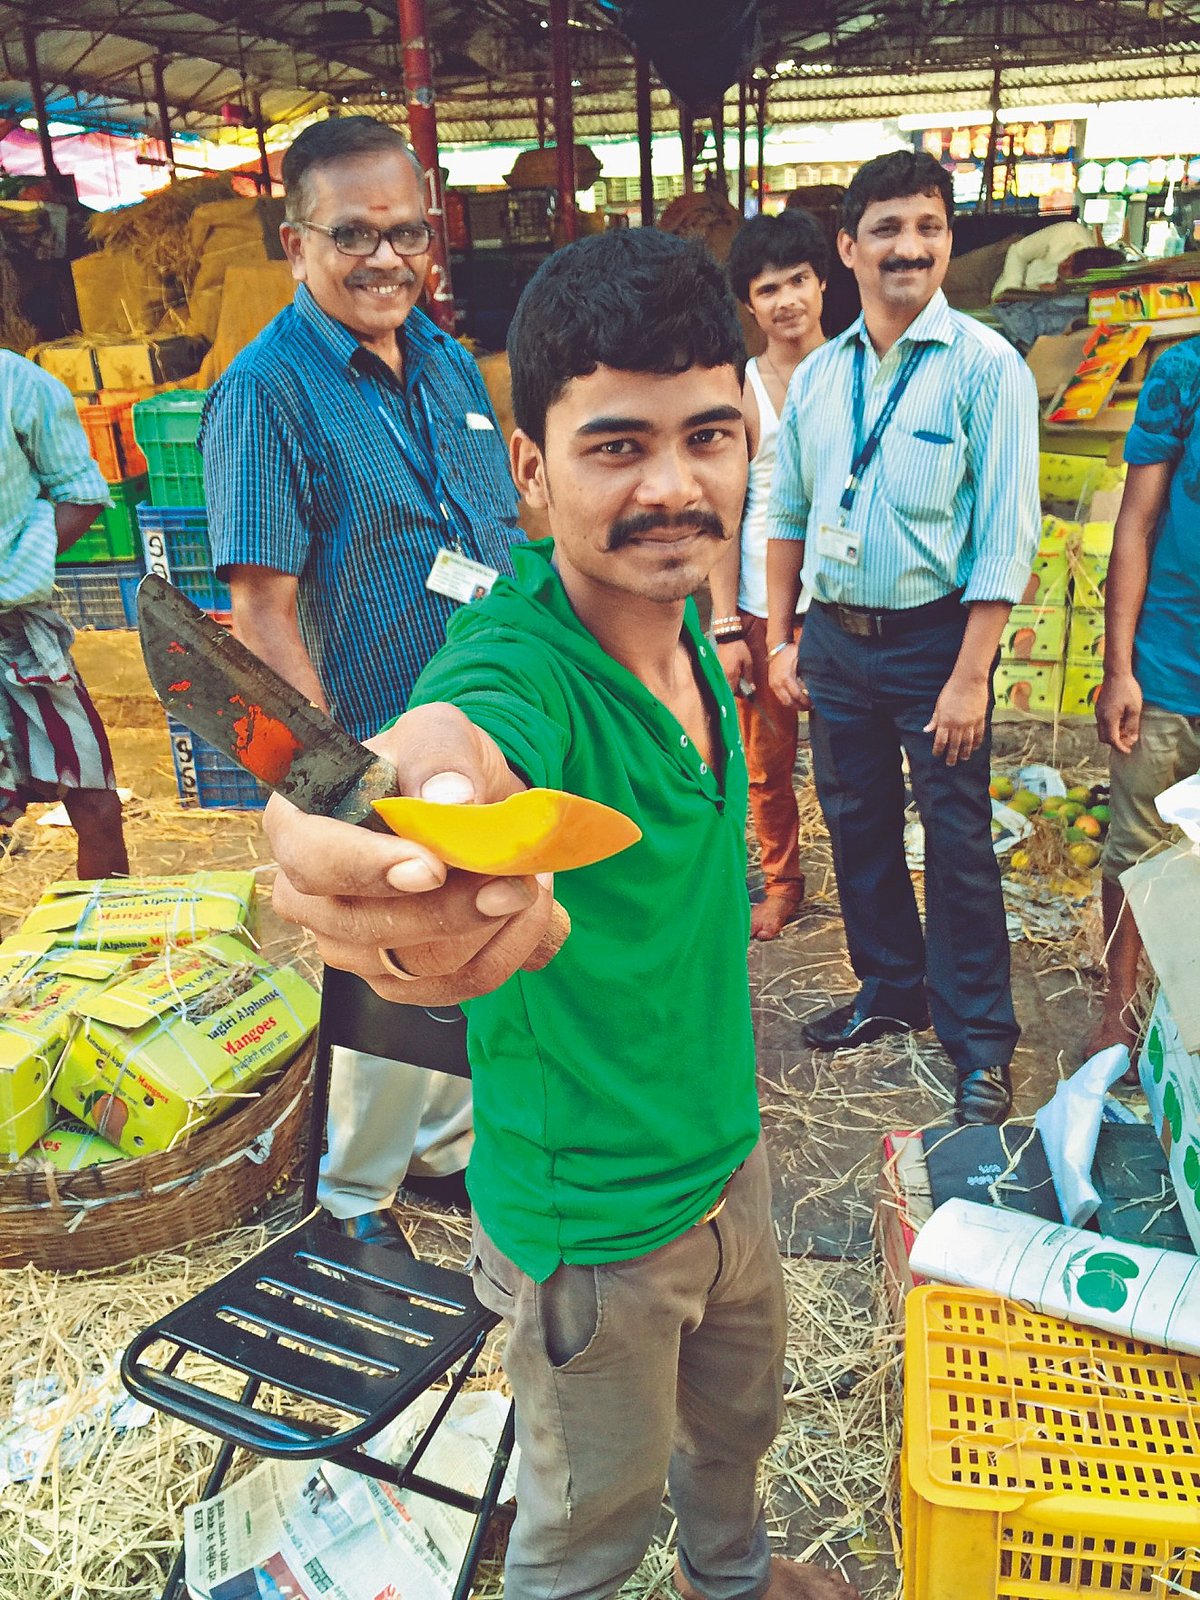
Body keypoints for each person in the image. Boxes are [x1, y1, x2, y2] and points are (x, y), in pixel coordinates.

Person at [263, 229, 858, 1600]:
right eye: (614, 446)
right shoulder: (522, 656)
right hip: (589, 1228)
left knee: (735, 1435)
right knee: (586, 1528)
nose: (673, 484)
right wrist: (417, 809)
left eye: (708, 435)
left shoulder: (708, 656)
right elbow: (455, 741)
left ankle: (734, 1575)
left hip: (729, 1162)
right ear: (529, 470)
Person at [201, 117, 522, 1247]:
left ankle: (441, 1153)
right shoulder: (267, 391)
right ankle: (349, 1199)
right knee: (386, 965)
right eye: (354, 236)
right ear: (295, 246)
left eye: (407, 234)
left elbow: (498, 529)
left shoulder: (441, 358)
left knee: (465, 956)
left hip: (481, 720)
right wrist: (333, 775)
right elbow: (261, 611)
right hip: (376, 731)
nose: (386, 258)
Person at [764, 150, 1039, 1125]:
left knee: (957, 844)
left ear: (947, 240)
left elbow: (1007, 540)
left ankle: (978, 1042)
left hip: (936, 645)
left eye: (927, 227)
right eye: (886, 228)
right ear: (848, 247)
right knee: (859, 822)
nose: (908, 247)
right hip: (836, 640)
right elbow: (788, 511)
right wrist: (785, 635)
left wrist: (971, 677)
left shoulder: (985, 368)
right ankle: (890, 989)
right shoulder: (821, 378)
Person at [710, 210, 828, 940]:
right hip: (758, 601)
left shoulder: (858, 369)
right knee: (764, 764)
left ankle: (869, 889)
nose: (786, 300)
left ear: (823, 284)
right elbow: (724, 513)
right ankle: (784, 884)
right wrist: (726, 623)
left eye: (798, 281)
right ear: (749, 305)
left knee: (855, 764)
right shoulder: (742, 388)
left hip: (846, 602)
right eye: (768, 288)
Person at [1091, 333, 1200, 1060]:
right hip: (1168, 662)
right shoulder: (1183, 373)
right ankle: (1119, 1007)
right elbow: (1136, 521)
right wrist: (1118, 665)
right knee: (1137, 849)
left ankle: (1184, 1007)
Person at [0, 349, 128, 879]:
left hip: (20, 637)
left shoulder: (18, 384)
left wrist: (15, 572)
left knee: (96, 806)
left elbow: (83, 493)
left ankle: (113, 948)